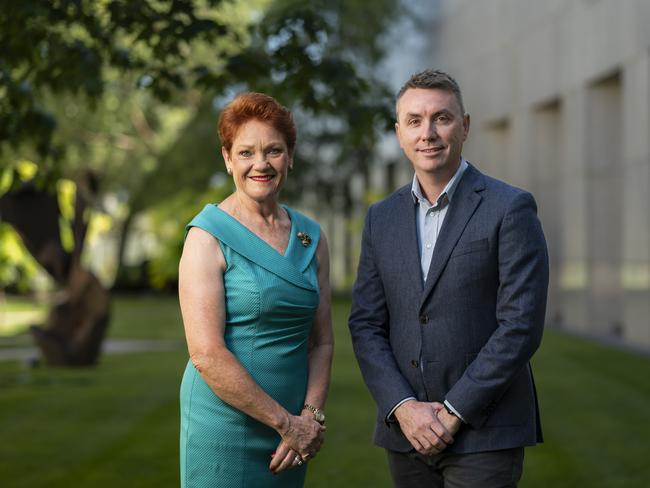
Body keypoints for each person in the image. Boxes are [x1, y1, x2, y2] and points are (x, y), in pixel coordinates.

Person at [348, 69, 549, 487]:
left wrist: (454, 412)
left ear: (465, 127)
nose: (428, 133)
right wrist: (403, 407)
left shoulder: (510, 208)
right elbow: (366, 324)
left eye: (442, 118)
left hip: (485, 432)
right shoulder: (380, 219)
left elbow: (521, 326)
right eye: (415, 120)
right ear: (399, 132)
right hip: (405, 433)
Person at [178, 92, 333, 487]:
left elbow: (322, 342)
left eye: (274, 151)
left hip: (294, 434)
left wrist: (310, 418)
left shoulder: (310, 237)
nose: (260, 164)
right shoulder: (206, 236)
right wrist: (285, 423)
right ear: (228, 159)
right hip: (225, 427)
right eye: (246, 152)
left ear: (290, 156)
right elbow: (206, 355)